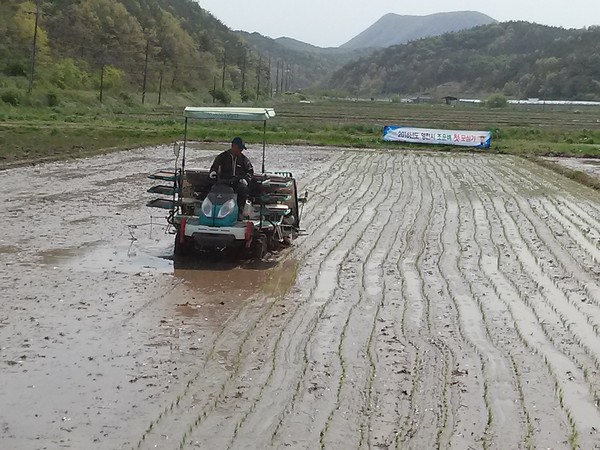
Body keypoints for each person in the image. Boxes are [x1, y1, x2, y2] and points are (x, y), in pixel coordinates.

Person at [209, 137, 254, 218]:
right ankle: (213, 212)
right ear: (233, 146)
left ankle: (239, 213)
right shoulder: (222, 157)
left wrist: (246, 179)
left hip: (237, 183)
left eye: (242, 149)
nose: (240, 150)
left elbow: (249, 172)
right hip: (223, 182)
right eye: (239, 148)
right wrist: (213, 173)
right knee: (213, 188)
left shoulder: (244, 160)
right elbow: (214, 168)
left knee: (243, 190)